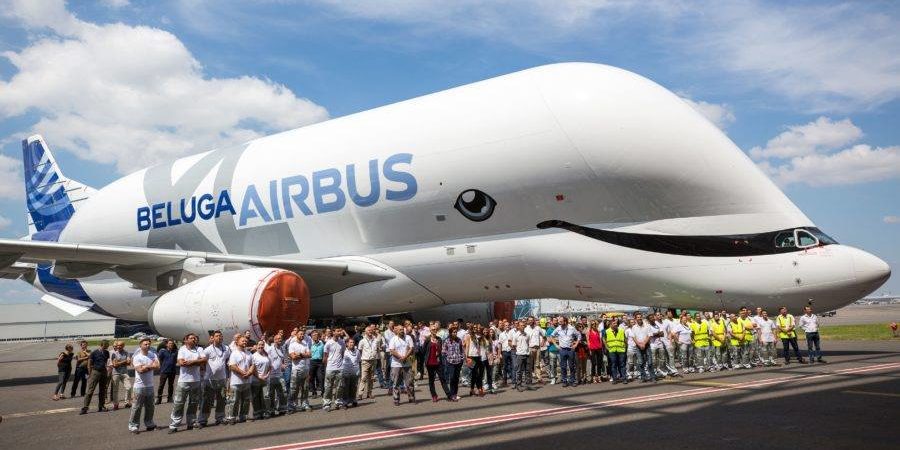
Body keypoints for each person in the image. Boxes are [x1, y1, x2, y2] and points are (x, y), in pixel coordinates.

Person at [169, 333, 206, 433]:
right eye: (191, 338)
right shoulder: (182, 349)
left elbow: (204, 360)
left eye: (194, 338)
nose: (193, 339)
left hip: (196, 381)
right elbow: (181, 363)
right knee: (179, 403)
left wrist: (191, 362)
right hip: (184, 381)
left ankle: (191, 422)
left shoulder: (200, 349)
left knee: (193, 403)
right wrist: (196, 361)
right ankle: (174, 425)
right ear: (186, 340)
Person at [199, 330, 230, 427]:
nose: (220, 337)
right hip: (210, 380)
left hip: (222, 379)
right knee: (207, 400)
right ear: (213, 338)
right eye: (217, 336)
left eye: (221, 336)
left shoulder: (226, 348)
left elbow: (228, 359)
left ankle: (220, 418)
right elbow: (202, 362)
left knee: (221, 399)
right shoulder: (208, 349)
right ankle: (203, 420)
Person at [128, 338, 159, 433]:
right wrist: (151, 366)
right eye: (145, 344)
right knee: (137, 407)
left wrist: (146, 366)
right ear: (140, 346)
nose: (148, 345)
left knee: (150, 406)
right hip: (139, 386)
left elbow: (157, 366)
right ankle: (133, 426)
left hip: (150, 385)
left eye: (149, 344)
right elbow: (140, 370)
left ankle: (149, 423)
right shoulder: (137, 357)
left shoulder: (153, 355)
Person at [226, 335, 254, 424]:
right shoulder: (234, 353)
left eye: (246, 341)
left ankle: (243, 416)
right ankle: (232, 417)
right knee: (234, 401)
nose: (245, 342)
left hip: (246, 381)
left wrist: (249, 372)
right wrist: (243, 373)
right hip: (236, 382)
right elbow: (232, 366)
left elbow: (252, 365)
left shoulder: (249, 353)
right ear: (237, 342)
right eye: (243, 341)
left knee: (246, 400)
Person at [80, 340, 110, 414]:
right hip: (95, 372)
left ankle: (101, 405)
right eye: (106, 344)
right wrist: (90, 374)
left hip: (104, 372)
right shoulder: (94, 353)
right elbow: (89, 364)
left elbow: (106, 362)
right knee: (90, 390)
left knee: (102, 390)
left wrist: (107, 371)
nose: (108, 346)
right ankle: (85, 407)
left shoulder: (107, 352)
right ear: (101, 344)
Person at [388, 324, 416, 405]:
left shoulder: (408, 337)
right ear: (396, 331)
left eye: (402, 329)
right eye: (400, 330)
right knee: (396, 383)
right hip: (396, 364)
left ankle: (411, 397)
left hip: (407, 364)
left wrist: (405, 357)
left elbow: (411, 348)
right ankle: (396, 399)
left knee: (409, 382)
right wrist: (401, 357)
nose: (402, 331)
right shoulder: (393, 339)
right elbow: (392, 350)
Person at [550, 316, 580, 387]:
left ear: (565, 322)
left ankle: (572, 380)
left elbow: (579, 335)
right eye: (559, 321)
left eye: (561, 321)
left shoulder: (572, 328)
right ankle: (564, 381)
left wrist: (576, 344)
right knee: (563, 366)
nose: (559, 323)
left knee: (571, 366)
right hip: (562, 349)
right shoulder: (558, 328)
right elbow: (551, 336)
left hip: (570, 349)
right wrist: (556, 345)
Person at [287, 328, 312, 412]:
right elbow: (293, 357)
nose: (302, 335)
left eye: (303, 334)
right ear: (296, 335)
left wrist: (300, 354)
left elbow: (309, 355)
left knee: (305, 388)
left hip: (305, 369)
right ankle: (292, 406)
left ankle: (304, 404)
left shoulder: (305, 344)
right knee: (294, 389)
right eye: (300, 334)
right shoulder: (292, 345)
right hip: (296, 370)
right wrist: (304, 355)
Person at [322, 329, 345, 411]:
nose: (339, 333)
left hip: (340, 368)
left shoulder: (342, 342)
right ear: (333, 332)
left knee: (340, 387)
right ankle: (327, 404)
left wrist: (341, 364)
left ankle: (338, 402)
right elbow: (325, 356)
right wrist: (326, 367)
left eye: (340, 331)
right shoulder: (328, 343)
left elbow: (342, 354)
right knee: (328, 387)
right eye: (338, 331)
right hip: (330, 368)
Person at [357, 325, 381, 400]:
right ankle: (360, 394)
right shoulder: (362, 341)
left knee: (371, 378)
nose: (370, 332)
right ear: (365, 332)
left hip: (373, 360)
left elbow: (377, 349)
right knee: (363, 378)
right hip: (365, 361)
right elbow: (360, 350)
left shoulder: (376, 340)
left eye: (371, 330)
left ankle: (369, 393)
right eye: (369, 331)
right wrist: (363, 358)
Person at [267, 334, 288, 415]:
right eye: (278, 338)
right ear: (274, 340)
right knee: (271, 394)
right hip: (271, 375)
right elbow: (267, 360)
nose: (280, 340)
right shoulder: (270, 349)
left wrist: (283, 365)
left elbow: (282, 359)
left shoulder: (282, 348)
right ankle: (271, 410)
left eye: (281, 338)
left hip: (280, 374)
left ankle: (282, 409)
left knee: (283, 392)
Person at [250, 340, 271, 420]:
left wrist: (267, 375)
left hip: (265, 379)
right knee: (256, 397)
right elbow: (252, 368)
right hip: (256, 380)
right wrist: (259, 377)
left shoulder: (266, 356)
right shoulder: (253, 356)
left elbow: (270, 367)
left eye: (262, 345)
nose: (261, 346)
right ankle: (257, 413)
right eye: (259, 345)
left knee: (265, 396)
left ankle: (266, 412)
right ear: (256, 346)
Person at [442, 325, 464, 401]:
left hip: (458, 362)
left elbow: (462, 350)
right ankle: (451, 395)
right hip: (450, 362)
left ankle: (455, 394)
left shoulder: (459, 340)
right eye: (454, 332)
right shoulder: (447, 340)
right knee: (452, 378)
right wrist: (446, 360)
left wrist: (462, 359)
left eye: (456, 332)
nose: (455, 333)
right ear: (450, 333)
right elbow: (444, 351)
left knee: (456, 378)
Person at [463, 325, 486, 396]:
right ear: (472, 329)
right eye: (474, 328)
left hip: (478, 356)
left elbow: (479, 346)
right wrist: (466, 357)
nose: (476, 329)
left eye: (477, 328)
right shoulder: (468, 336)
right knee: (475, 373)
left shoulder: (477, 336)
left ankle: (472, 389)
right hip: (471, 356)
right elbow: (466, 346)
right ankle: (479, 389)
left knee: (474, 374)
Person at [108, 341, 131, 410]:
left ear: (123, 346)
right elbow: (115, 365)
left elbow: (129, 363)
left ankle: (127, 402)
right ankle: (116, 404)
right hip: (116, 373)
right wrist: (124, 362)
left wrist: (119, 362)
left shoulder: (126, 353)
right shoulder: (113, 353)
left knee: (129, 387)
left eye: (120, 345)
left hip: (124, 373)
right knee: (115, 389)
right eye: (117, 345)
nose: (118, 347)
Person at [604, 319, 626, 383]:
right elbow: (604, 340)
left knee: (622, 364)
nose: (616, 324)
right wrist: (607, 348)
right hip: (612, 350)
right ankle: (614, 379)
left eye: (616, 323)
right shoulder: (607, 331)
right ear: (610, 324)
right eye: (614, 323)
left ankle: (624, 378)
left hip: (621, 350)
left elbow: (625, 339)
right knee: (614, 365)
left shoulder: (621, 330)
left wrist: (625, 347)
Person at [341, 338, 361, 408]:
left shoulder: (357, 351)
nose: (352, 344)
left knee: (354, 387)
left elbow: (358, 360)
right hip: (346, 372)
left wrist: (358, 371)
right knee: (345, 387)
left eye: (353, 342)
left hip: (355, 372)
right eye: (350, 342)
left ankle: (353, 400)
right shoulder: (344, 351)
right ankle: (345, 402)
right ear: (347, 344)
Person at [156, 339, 178, 404]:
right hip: (164, 371)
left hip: (172, 371)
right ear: (167, 344)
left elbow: (176, 360)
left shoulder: (175, 352)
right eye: (170, 343)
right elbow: (160, 359)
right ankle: (159, 399)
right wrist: (162, 366)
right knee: (161, 385)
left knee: (171, 385)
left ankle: (170, 398)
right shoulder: (163, 351)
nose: (171, 345)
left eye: (172, 344)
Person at [308, 331, 325, 398]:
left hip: (320, 362)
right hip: (312, 361)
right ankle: (314, 392)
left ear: (319, 336)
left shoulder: (322, 343)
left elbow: (325, 352)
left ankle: (323, 391)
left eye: (316, 335)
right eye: (314, 335)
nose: (315, 336)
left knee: (321, 377)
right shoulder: (310, 344)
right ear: (311, 337)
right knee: (311, 378)